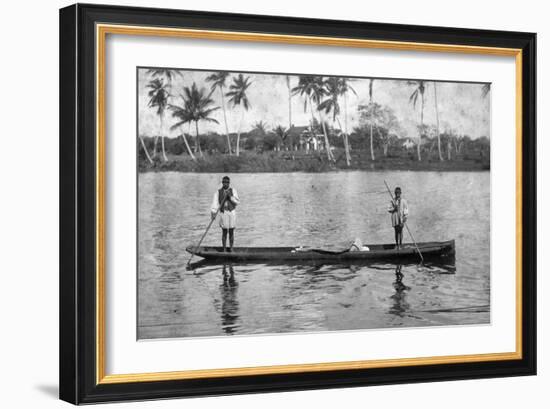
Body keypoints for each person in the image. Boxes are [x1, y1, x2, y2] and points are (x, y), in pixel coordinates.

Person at [211, 176, 240, 252]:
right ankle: (224, 249)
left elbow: (237, 202)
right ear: (222, 183)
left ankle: (231, 248)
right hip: (223, 212)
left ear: (229, 183)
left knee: (231, 231)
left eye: (227, 182)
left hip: (232, 212)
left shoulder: (233, 191)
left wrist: (230, 196)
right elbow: (215, 204)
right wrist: (213, 213)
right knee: (224, 231)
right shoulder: (218, 192)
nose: (225, 184)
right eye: (224, 182)